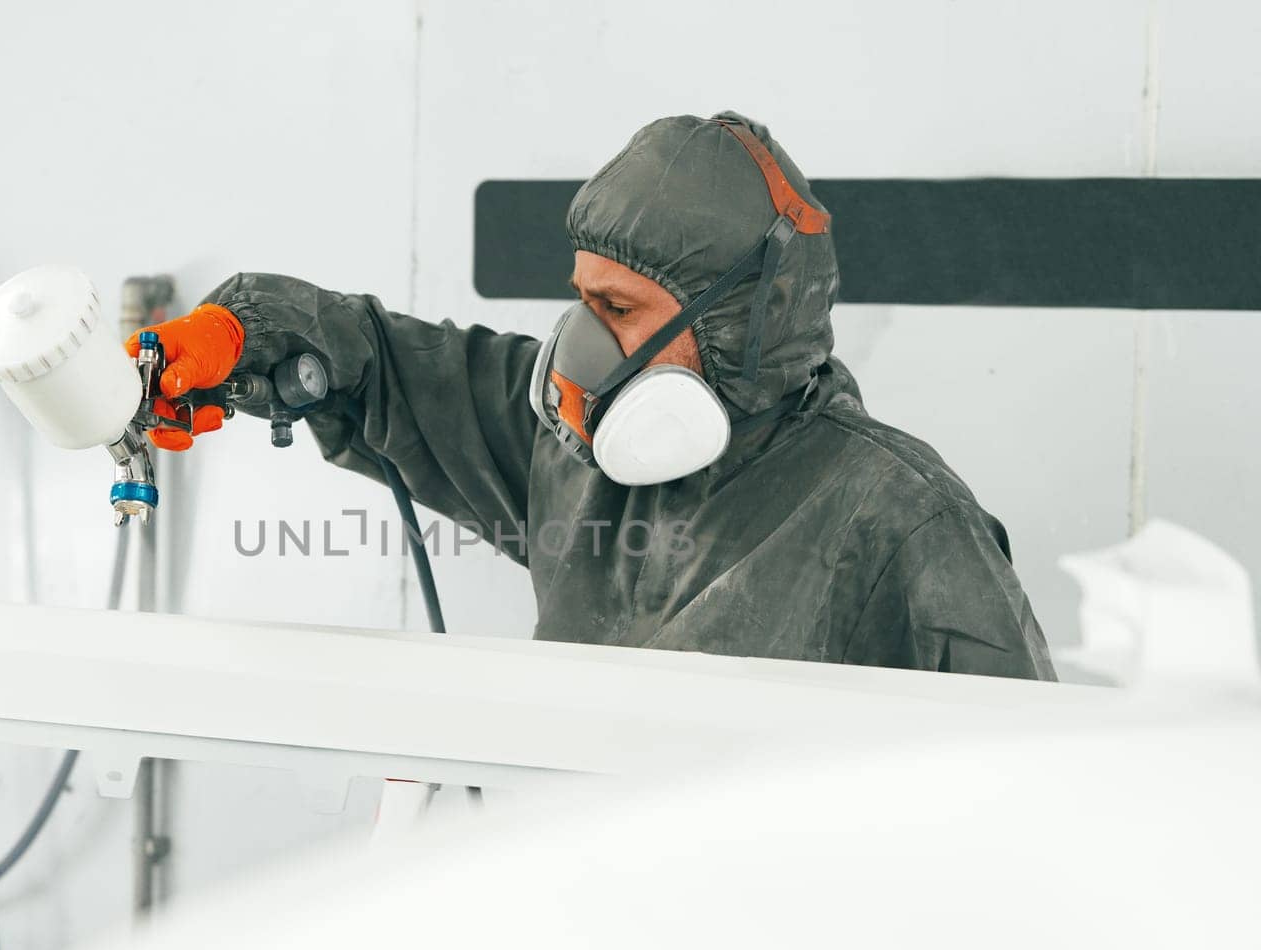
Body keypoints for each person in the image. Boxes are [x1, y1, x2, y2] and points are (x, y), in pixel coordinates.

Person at [127, 109, 1055, 680]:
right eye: (582, 299)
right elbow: (391, 369)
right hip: (587, 935)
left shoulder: (901, 521)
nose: (579, 345)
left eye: (618, 306)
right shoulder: (571, 456)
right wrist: (245, 334)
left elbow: (1023, 798)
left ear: (744, 319)